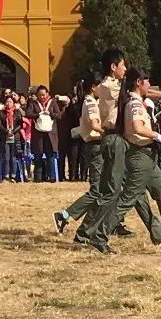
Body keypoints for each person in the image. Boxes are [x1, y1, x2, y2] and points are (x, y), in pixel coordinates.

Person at [79, 66, 161, 255]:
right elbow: (136, 127)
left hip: (148, 158)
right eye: (147, 81)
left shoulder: (137, 100)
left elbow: (149, 96)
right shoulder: (133, 104)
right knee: (128, 199)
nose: (149, 85)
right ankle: (99, 235)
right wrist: (155, 135)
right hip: (139, 155)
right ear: (138, 82)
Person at [52, 70, 105, 234]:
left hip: (97, 146)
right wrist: (110, 131)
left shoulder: (93, 101)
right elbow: (94, 124)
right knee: (97, 191)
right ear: (94, 87)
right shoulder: (90, 103)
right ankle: (65, 215)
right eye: (101, 86)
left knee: (104, 190)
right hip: (95, 146)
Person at [28, 86, 63, 182]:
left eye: (43, 95)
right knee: (38, 155)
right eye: (40, 95)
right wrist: (38, 114)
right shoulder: (33, 103)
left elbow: (59, 115)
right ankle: (38, 177)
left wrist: (50, 113)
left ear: (47, 94)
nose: (42, 97)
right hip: (38, 133)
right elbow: (28, 114)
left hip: (50, 133)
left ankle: (51, 176)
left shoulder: (53, 103)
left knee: (50, 155)